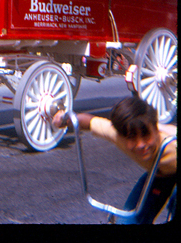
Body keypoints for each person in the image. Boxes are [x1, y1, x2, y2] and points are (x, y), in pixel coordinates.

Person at [52, 96, 177, 224]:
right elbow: (89, 122)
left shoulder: (173, 146)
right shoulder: (120, 134)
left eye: (146, 135)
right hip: (158, 173)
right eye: (132, 137)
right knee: (127, 221)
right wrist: (64, 120)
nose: (140, 144)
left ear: (156, 130)